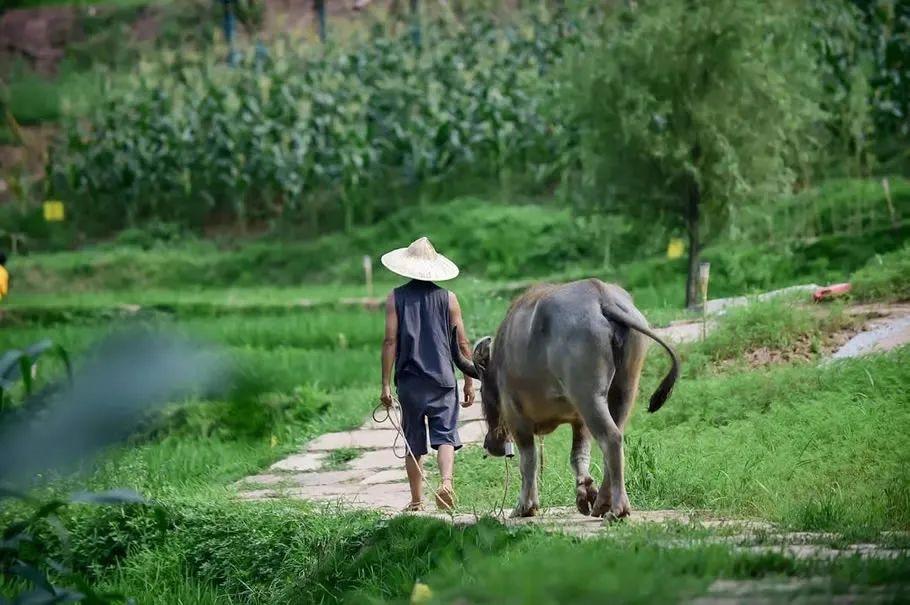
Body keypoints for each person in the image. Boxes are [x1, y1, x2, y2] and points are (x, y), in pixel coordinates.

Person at [379, 236, 476, 512]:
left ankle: (417, 500)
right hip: (443, 379)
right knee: (445, 435)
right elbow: (462, 343)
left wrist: (385, 385)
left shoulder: (395, 298)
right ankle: (446, 483)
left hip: (410, 381)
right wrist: (469, 380)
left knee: (414, 441)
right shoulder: (449, 299)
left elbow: (390, 341)